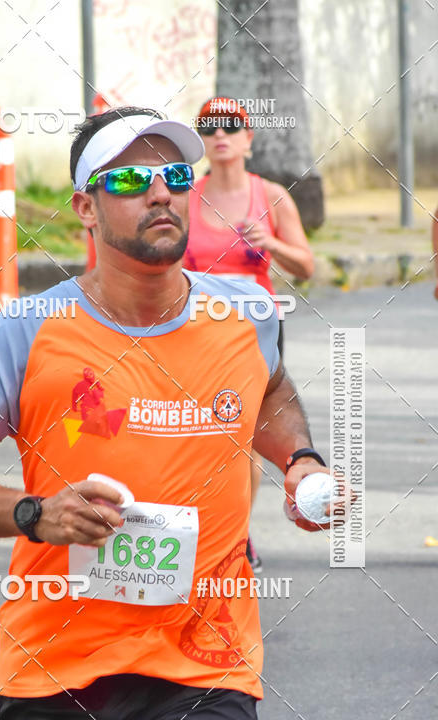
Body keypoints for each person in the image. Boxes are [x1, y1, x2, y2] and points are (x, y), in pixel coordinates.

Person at [0, 106, 337, 720]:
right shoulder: (29, 329)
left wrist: (298, 458)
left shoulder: (247, 313)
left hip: (205, 657)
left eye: (175, 177)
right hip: (57, 666)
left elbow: (270, 395)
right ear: (86, 206)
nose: (159, 193)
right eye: (128, 179)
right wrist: (34, 512)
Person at [184, 96, 315, 573]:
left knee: (244, 434)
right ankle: (195, 528)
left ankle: (236, 534)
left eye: (230, 127)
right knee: (194, 432)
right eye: (209, 128)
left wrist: (271, 242)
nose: (220, 135)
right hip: (195, 329)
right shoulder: (186, 196)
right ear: (201, 140)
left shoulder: (272, 196)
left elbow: (307, 266)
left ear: (247, 139)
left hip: (255, 330)